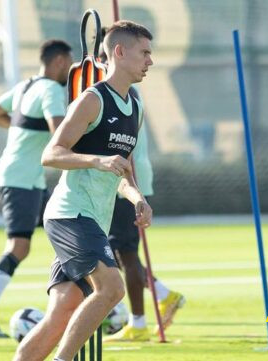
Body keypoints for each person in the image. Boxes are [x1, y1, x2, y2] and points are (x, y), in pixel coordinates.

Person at [13, 20, 154, 361]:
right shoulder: (92, 100)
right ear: (119, 52)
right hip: (70, 214)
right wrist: (96, 160)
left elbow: (123, 171)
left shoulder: (134, 107)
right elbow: (52, 154)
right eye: (145, 53)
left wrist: (138, 199)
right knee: (112, 289)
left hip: (93, 219)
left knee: (59, 315)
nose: (151, 61)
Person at [0, 39, 73, 337]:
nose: (69, 69)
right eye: (68, 63)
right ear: (59, 62)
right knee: (20, 246)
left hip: (26, 177)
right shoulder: (51, 90)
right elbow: (60, 134)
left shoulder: (27, 85)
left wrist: (23, 132)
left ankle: (75, 300)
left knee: (66, 232)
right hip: (21, 178)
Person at [94, 28, 184, 343]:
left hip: (125, 178)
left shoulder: (124, 90)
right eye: (143, 53)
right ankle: (161, 294)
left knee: (125, 252)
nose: (148, 61)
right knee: (124, 251)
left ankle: (139, 321)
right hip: (127, 175)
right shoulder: (117, 90)